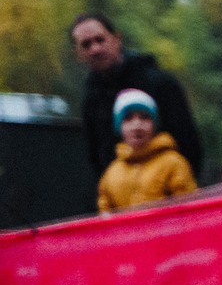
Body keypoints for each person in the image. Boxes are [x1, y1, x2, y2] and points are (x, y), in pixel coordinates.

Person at [70, 13, 206, 182]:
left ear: (116, 39)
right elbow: (96, 158)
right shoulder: (91, 101)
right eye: (86, 44)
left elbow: (189, 145)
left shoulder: (160, 84)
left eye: (100, 40)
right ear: (78, 53)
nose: (95, 49)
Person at [96, 89, 198, 212]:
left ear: (154, 124)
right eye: (128, 118)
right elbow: (104, 217)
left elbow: (190, 210)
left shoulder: (173, 163)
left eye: (144, 117)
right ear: (119, 126)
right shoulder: (112, 173)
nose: (137, 125)